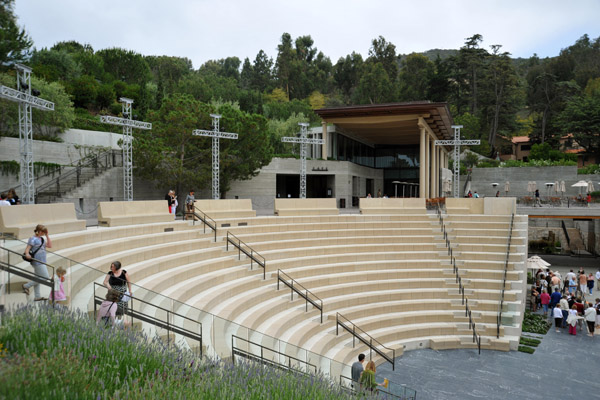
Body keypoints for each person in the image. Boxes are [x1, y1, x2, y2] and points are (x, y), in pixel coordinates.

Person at [22, 224, 52, 301]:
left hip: (42, 261)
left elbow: (50, 245)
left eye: (44, 232)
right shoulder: (33, 239)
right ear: (38, 231)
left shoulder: (42, 239)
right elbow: (27, 249)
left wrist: (47, 236)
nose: (43, 233)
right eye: (42, 232)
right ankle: (26, 286)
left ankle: (37, 296)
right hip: (37, 261)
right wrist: (27, 254)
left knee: (37, 278)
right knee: (45, 277)